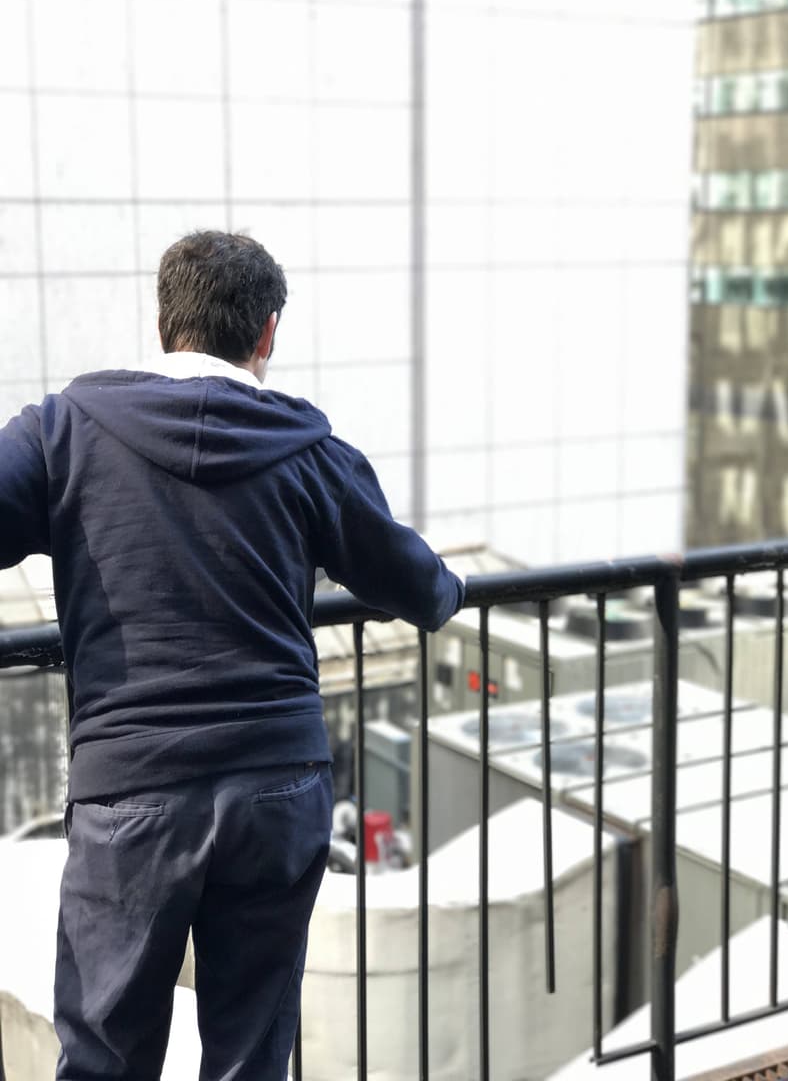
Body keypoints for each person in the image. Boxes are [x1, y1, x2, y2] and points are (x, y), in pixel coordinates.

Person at [0, 230, 465, 1081]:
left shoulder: (65, 431)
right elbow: (418, 588)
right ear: (268, 334)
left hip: (130, 792)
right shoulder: (309, 452)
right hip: (277, 786)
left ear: (163, 321)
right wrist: (452, 590)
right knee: (252, 1054)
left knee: (105, 1056)